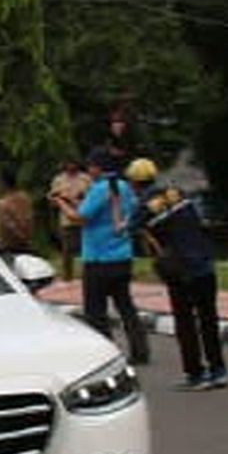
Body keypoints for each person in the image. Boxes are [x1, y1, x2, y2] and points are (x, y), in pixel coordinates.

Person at [131, 160, 228, 390]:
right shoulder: (178, 194)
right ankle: (218, 370)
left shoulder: (144, 206)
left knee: (185, 321)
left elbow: (129, 230)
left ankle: (195, 373)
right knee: (208, 319)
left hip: (180, 269)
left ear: (135, 183)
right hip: (204, 263)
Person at [70, 149, 150, 365]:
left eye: (90, 166)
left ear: (98, 168)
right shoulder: (124, 187)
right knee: (126, 307)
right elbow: (129, 212)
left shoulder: (99, 189)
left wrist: (60, 202)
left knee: (96, 312)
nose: (88, 170)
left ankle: (105, 356)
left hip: (98, 259)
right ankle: (140, 350)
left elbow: (80, 217)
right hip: (122, 256)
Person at [47, 161, 90, 282]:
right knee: (67, 250)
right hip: (66, 219)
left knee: (86, 249)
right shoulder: (58, 180)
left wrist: (80, 198)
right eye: (69, 163)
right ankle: (67, 277)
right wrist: (60, 199)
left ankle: (87, 275)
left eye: (74, 163)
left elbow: (92, 195)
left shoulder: (85, 178)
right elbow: (52, 198)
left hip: (84, 217)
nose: (71, 166)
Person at [0, 172, 35, 262]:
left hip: (8, 245)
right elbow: (30, 218)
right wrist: (26, 237)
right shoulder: (25, 198)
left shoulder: (3, 203)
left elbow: (8, 224)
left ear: (4, 184)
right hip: (26, 241)